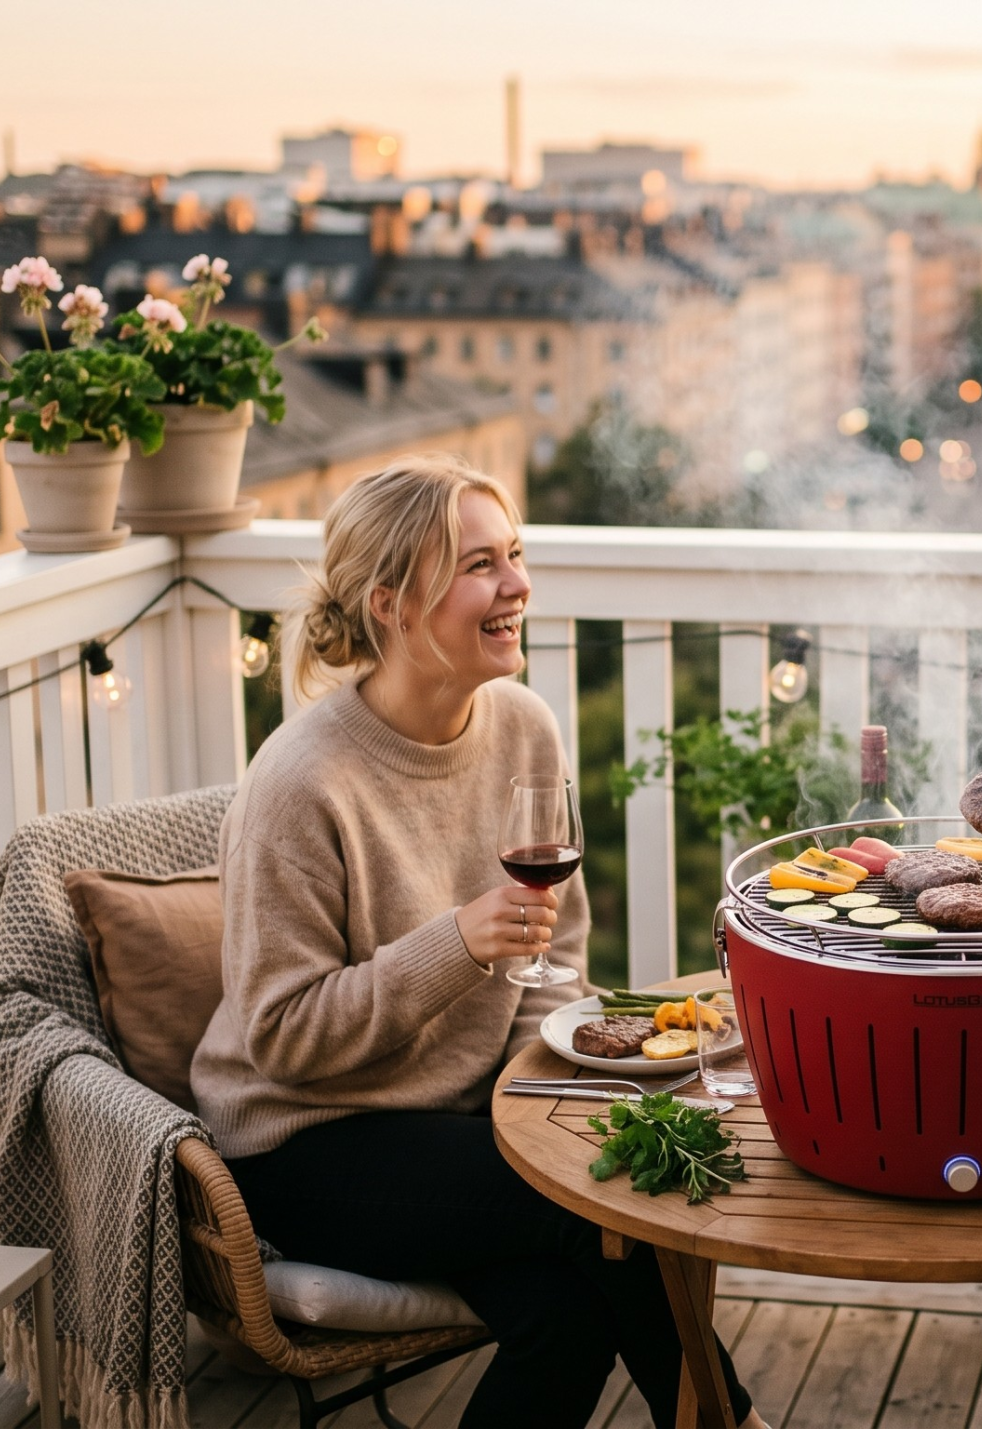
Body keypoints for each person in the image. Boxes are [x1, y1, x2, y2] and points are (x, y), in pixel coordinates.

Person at [188, 457, 764, 1429]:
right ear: (392, 605)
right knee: (607, 1204)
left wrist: (532, 1091)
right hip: (305, 1139)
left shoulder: (524, 726)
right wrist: (454, 942)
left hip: (464, 1119)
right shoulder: (297, 783)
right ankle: (729, 1422)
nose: (517, 586)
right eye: (479, 565)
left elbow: (554, 954)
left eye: (517, 556)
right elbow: (281, 1035)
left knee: (569, 1316)